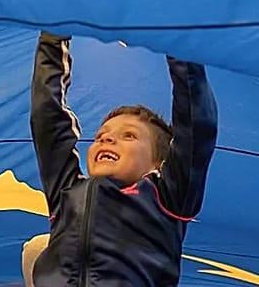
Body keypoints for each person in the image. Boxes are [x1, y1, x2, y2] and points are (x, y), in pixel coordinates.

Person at [25, 31, 218, 287]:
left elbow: (195, 124)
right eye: (101, 135)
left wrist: (176, 38)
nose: (107, 139)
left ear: (158, 164)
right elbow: (48, 122)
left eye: (128, 136)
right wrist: (53, 37)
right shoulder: (68, 192)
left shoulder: (168, 197)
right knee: (34, 249)